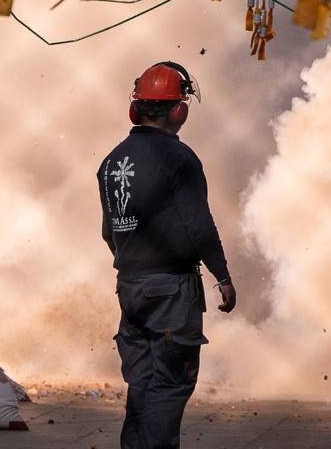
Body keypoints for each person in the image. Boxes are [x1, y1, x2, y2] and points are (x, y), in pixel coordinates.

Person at [97, 61, 236, 449]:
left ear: (135, 109)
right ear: (180, 111)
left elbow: (110, 231)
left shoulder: (110, 162)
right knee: (170, 385)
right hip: (172, 291)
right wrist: (222, 276)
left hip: (130, 287)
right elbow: (199, 225)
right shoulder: (180, 158)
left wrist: (133, 262)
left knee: (141, 385)